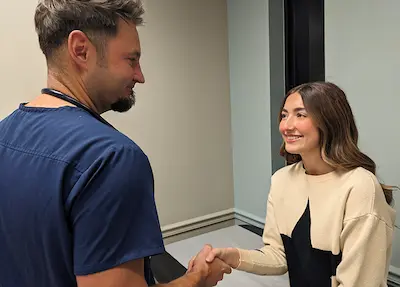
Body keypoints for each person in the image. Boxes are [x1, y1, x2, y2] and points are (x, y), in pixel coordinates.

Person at [0, 0, 231, 286]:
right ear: (81, 50)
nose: (140, 76)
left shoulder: (4, 133)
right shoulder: (111, 158)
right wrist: (198, 278)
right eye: (131, 60)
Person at [190, 82, 397, 286]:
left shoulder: (360, 186)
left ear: (329, 121)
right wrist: (232, 257)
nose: (286, 126)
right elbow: (279, 255)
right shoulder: (281, 180)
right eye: (284, 115)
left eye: (300, 114)